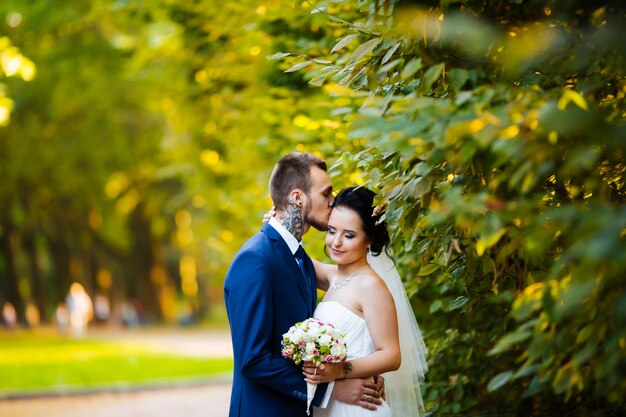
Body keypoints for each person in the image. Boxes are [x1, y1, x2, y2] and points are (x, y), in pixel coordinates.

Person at [224, 153, 384, 417]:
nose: (333, 202)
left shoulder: (300, 259)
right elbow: (253, 359)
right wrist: (329, 391)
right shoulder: (255, 260)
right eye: (326, 193)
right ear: (298, 198)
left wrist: (358, 369)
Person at [304, 186, 428, 417]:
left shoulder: (370, 285)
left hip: (358, 407)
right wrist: (278, 222)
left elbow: (391, 355)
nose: (336, 242)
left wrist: (338, 371)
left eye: (349, 235)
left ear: (369, 239)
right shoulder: (333, 277)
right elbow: (293, 256)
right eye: (332, 231)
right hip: (331, 404)